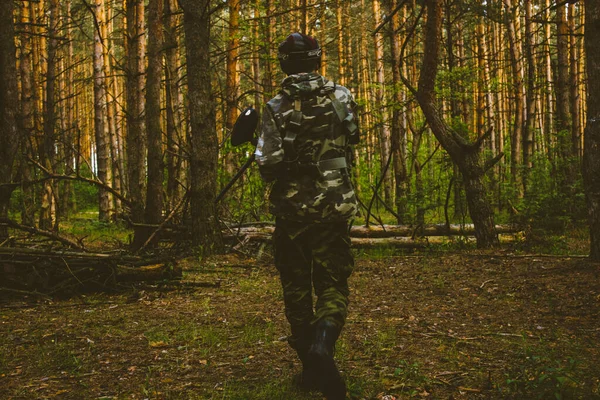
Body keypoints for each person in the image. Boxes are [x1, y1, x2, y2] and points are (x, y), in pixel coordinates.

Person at [254, 32, 359, 400]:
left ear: (284, 62)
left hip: (292, 211)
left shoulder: (275, 106)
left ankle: (311, 366)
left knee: (296, 287)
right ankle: (323, 346)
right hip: (334, 206)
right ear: (316, 59)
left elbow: (267, 164)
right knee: (332, 283)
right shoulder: (342, 96)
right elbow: (352, 138)